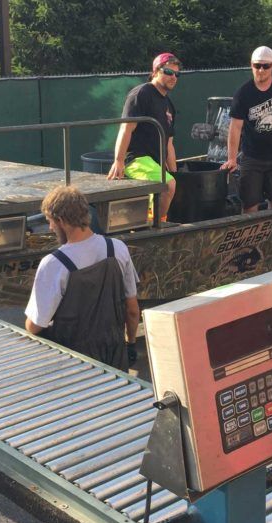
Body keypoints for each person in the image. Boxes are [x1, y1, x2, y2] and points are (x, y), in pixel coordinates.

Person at [25, 185, 140, 370]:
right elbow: (132, 310)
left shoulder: (54, 264)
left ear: (61, 220)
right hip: (115, 357)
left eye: (50, 221)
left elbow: (35, 325)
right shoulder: (118, 248)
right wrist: (131, 344)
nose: (50, 227)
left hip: (73, 365)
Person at [221, 46, 272, 213]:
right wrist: (231, 158)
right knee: (249, 204)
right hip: (252, 156)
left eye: (265, 66)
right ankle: (251, 237)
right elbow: (235, 127)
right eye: (257, 65)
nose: (261, 70)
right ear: (251, 65)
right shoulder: (243, 93)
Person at [107, 53, 181, 221]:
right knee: (168, 185)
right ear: (155, 71)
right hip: (136, 160)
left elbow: (169, 143)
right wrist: (118, 161)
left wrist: (175, 171)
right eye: (169, 72)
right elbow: (126, 128)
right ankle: (155, 227)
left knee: (172, 183)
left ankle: (151, 225)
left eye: (177, 74)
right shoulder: (142, 93)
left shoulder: (169, 104)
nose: (173, 77)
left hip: (155, 164)